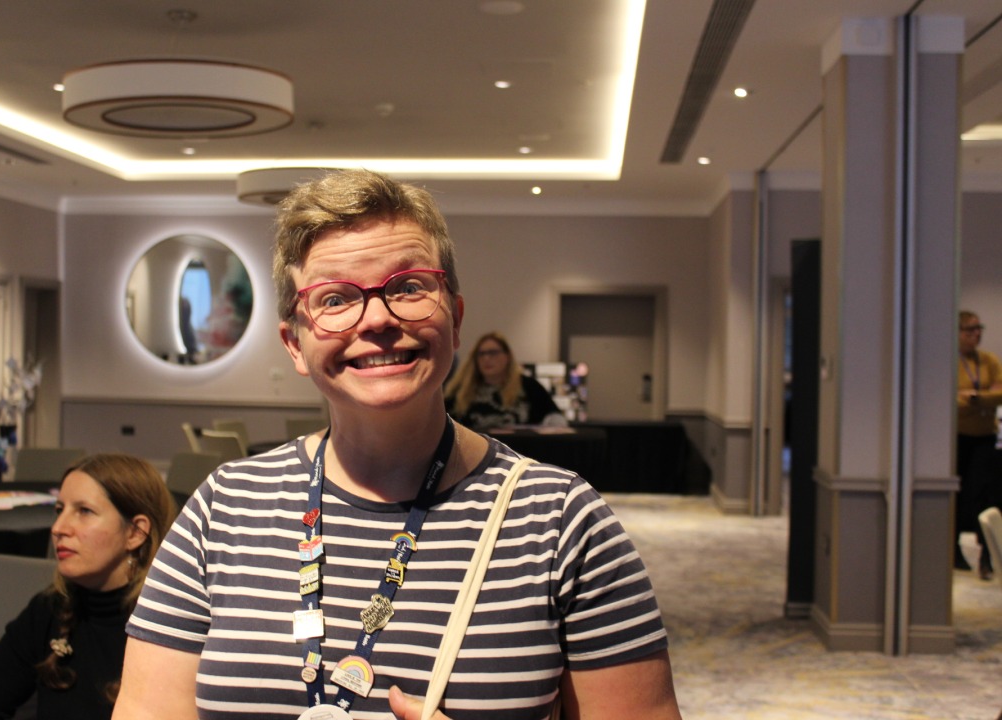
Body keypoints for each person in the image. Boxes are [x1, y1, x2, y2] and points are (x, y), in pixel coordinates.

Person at [115, 169, 681, 720]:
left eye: (409, 288)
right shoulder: (224, 511)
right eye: (335, 299)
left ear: (455, 320)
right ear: (295, 343)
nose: (378, 320)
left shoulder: (562, 521)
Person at [0, 453, 177, 720]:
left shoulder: (173, 628)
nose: (58, 528)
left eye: (84, 511)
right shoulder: (51, 609)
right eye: (59, 510)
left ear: (135, 533)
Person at [956, 310, 1002, 579]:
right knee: (961, 496)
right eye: (970, 329)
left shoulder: (989, 361)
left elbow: (999, 396)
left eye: (979, 328)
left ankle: (987, 557)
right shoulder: (951, 362)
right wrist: (982, 399)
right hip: (959, 437)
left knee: (985, 495)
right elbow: (952, 402)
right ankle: (955, 554)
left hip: (985, 437)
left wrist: (974, 398)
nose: (977, 334)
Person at [445, 331, 568, 431]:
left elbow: (556, 419)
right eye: (481, 354)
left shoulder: (529, 387)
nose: (486, 358)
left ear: (507, 356)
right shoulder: (460, 390)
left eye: (493, 353)